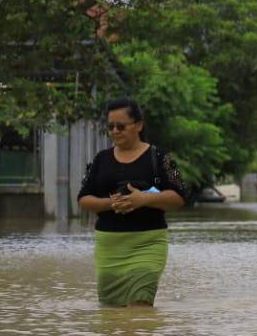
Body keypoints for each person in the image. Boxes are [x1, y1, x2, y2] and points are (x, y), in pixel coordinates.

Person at [77, 99, 188, 306]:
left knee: (140, 305)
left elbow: (180, 196)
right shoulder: (99, 160)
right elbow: (83, 199)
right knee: (111, 312)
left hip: (148, 243)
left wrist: (144, 199)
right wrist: (111, 204)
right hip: (109, 247)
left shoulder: (162, 157)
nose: (115, 131)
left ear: (138, 125)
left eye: (121, 126)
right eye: (111, 127)